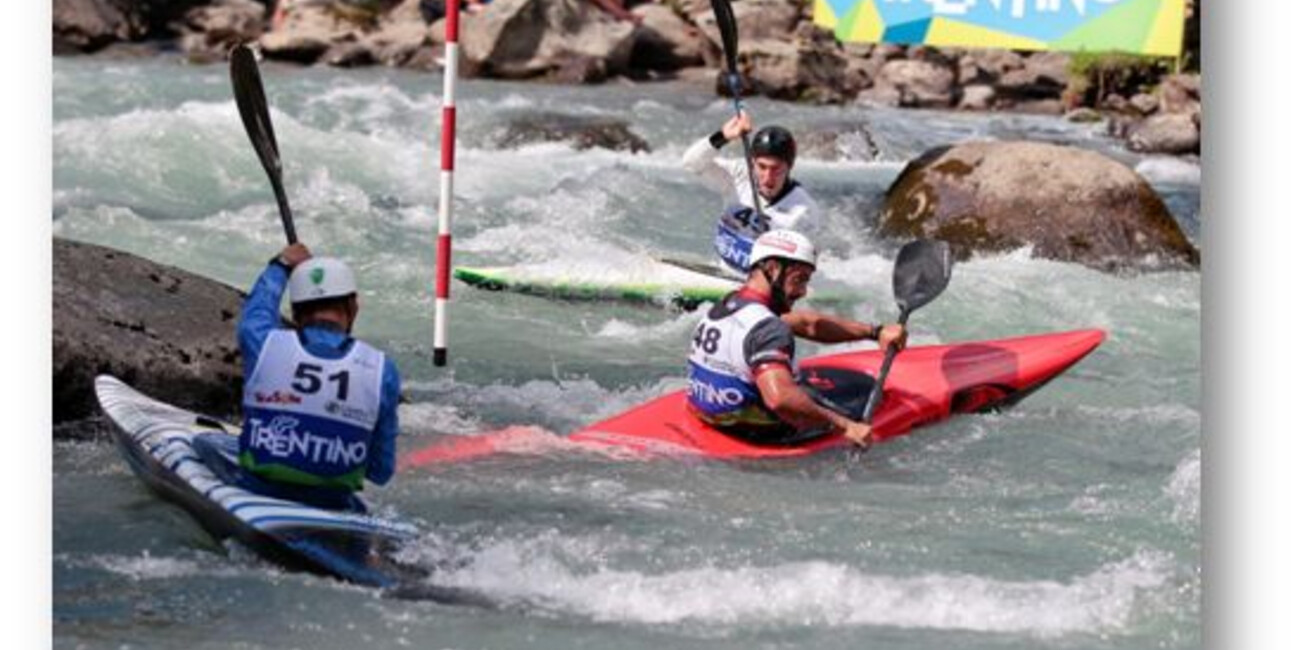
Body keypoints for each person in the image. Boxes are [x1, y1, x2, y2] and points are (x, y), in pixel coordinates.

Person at [194, 242, 402, 513]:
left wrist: (281, 264)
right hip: (333, 503)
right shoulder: (382, 369)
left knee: (201, 444)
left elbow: (256, 313)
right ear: (353, 307)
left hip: (257, 490)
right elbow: (380, 472)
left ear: (295, 313)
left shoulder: (265, 343)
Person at [686, 230, 906, 448]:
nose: (803, 292)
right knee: (852, 395)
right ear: (772, 269)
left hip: (706, 412)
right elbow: (780, 400)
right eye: (799, 279)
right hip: (753, 429)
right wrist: (847, 426)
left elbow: (807, 324)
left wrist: (875, 332)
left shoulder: (731, 302)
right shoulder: (769, 328)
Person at [681, 111, 821, 274]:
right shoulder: (739, 174)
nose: (768, 177)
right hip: (723, 272)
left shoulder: (804, 211)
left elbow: (805, 267)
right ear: (752, 162)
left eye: (776, 169)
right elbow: (691, 163)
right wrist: (724, 136)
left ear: (789, 167)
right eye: (762, 167)